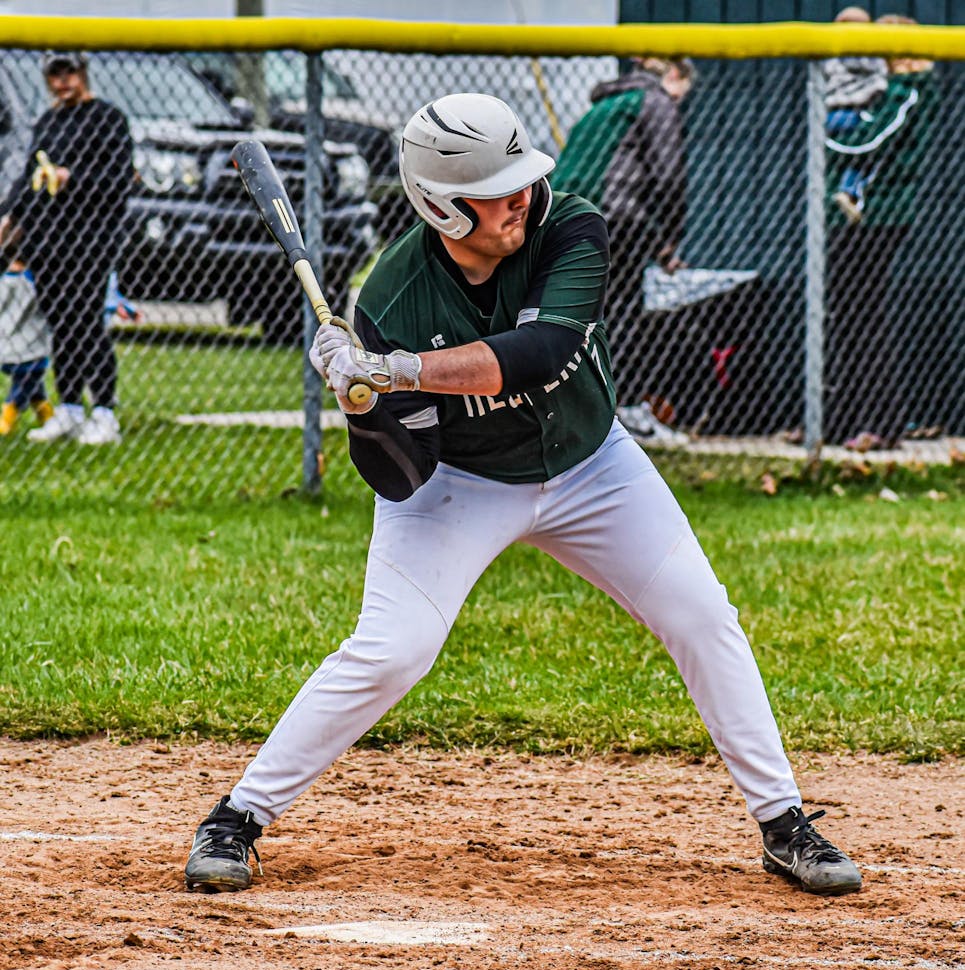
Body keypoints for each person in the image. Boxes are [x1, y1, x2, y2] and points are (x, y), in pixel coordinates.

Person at [183, 92, 862, 899]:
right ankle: (237, 817)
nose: (519, 198)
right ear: (441, 206)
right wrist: (360, 403)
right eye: (495, 192)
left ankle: (783, 823)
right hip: (460, 484)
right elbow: (402, 474)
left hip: (593, 465)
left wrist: (394, 370)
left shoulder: (569, 225)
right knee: (392, 650)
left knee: (702, 615)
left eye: (520, 181)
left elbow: (541, 351)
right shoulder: (392, 300)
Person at [551, 57, 694, 436]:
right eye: (682, 95)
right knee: (624, 313)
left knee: (578, 312)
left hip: (565, 218)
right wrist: (670, 240)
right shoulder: (656, 101)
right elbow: (669, 175)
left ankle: (574, 403)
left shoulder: (602, 106)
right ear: (675, 74)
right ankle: (622, 406)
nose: (679, 103)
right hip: (615, 220)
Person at [0, 50, 133, 446]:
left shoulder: (107, 118)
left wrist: (71, 177)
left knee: (87, 321)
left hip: (90, 240)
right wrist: (9, 217)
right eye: (54, 74)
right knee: (61, 326)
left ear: (83, 72)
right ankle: (71, 408)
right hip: (48, 241)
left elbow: (118, 180)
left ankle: (104, 412)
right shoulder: (49, 121)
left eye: (68, 72)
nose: (62, 82)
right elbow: (29, 179)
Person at [823, 17, 938, 447]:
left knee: (865, 314)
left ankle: (881, 423)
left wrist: (825, 141)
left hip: (879, 217)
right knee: (845, 314)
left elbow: (870, 142)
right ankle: (839, 421)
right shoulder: (884, 90)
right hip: (852, 217)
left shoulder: (908, 91)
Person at [822, 6, 890, 225]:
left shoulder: (830, 55)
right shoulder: (865, 54)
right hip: (853, 113)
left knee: (845, 157)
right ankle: (849, 190)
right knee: (870, 149)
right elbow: (879, 80)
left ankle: (842, 191)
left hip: (829, 116)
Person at [0, 260, 54, 436]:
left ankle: (48, 418)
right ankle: (8, 418)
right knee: (24, 384)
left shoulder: (3, 281)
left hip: (7, 346)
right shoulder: (34, 281)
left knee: (33, 385)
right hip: (33, 347)